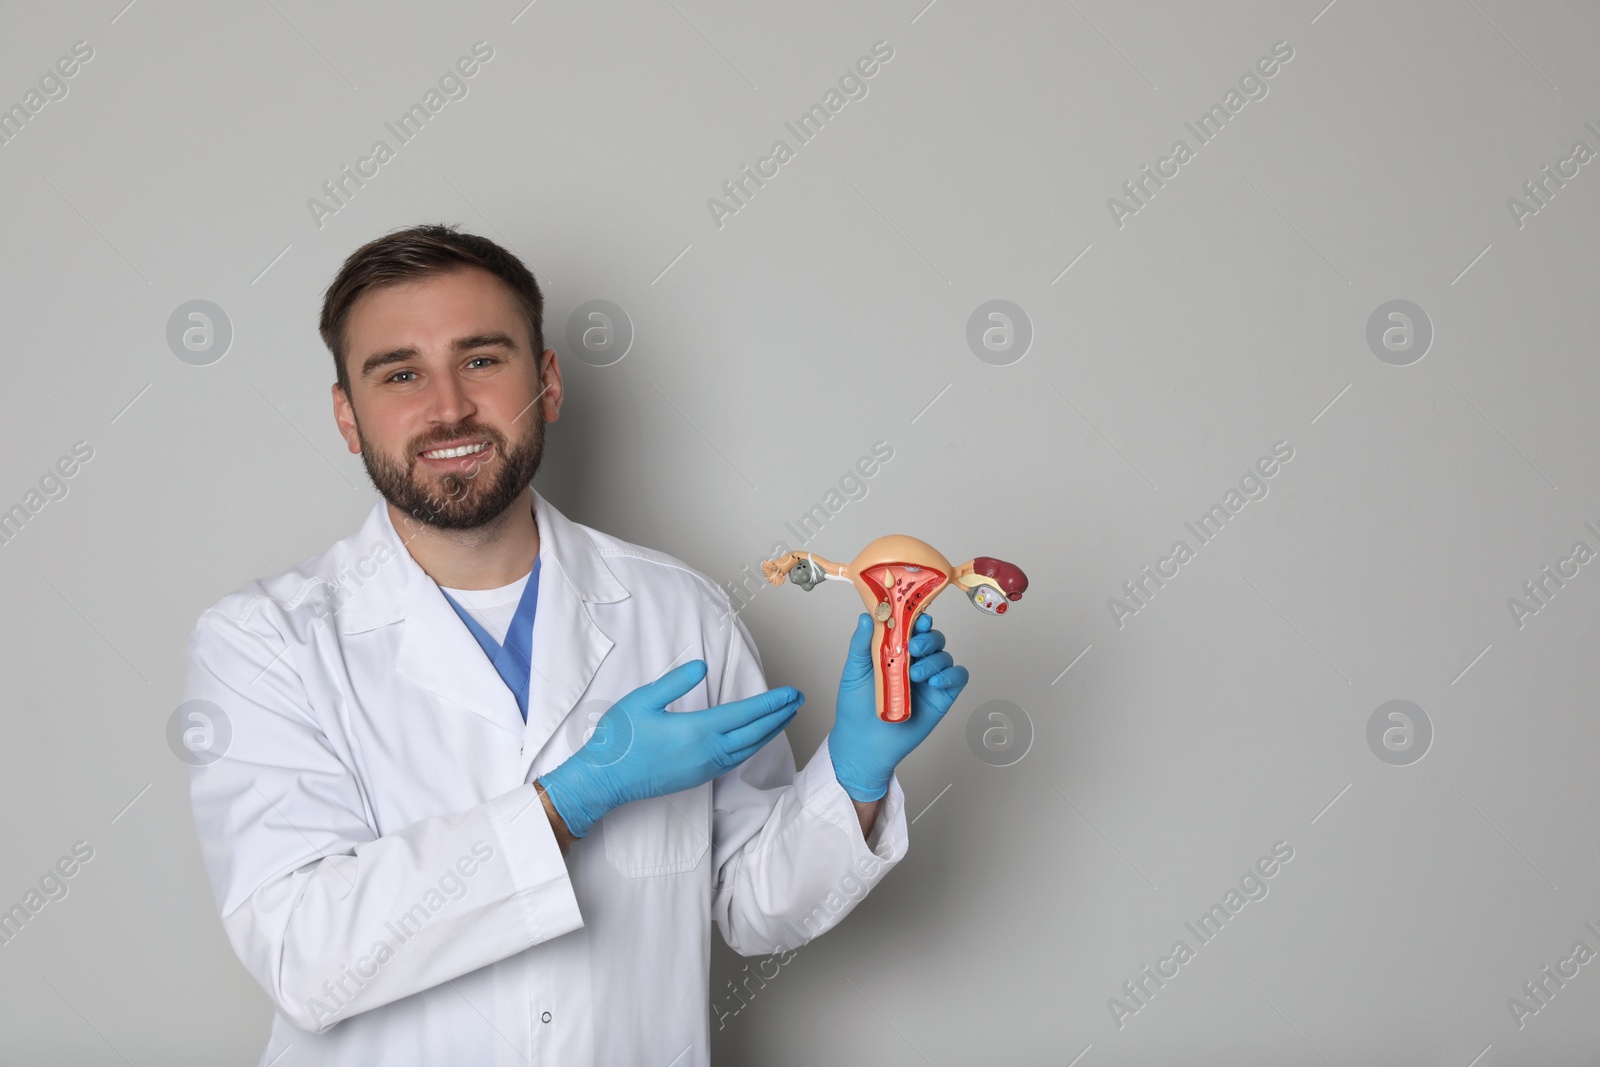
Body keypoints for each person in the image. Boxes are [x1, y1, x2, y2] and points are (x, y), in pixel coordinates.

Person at [180, 223, 971, 1066]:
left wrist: (852, 775)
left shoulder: (679, 611)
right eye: (401, 373)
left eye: (482, 359)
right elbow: (305, 954)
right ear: (347, 415)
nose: (448, 406)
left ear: (547, 382)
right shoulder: (265, 641)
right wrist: (568, 802)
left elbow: (756, 905)